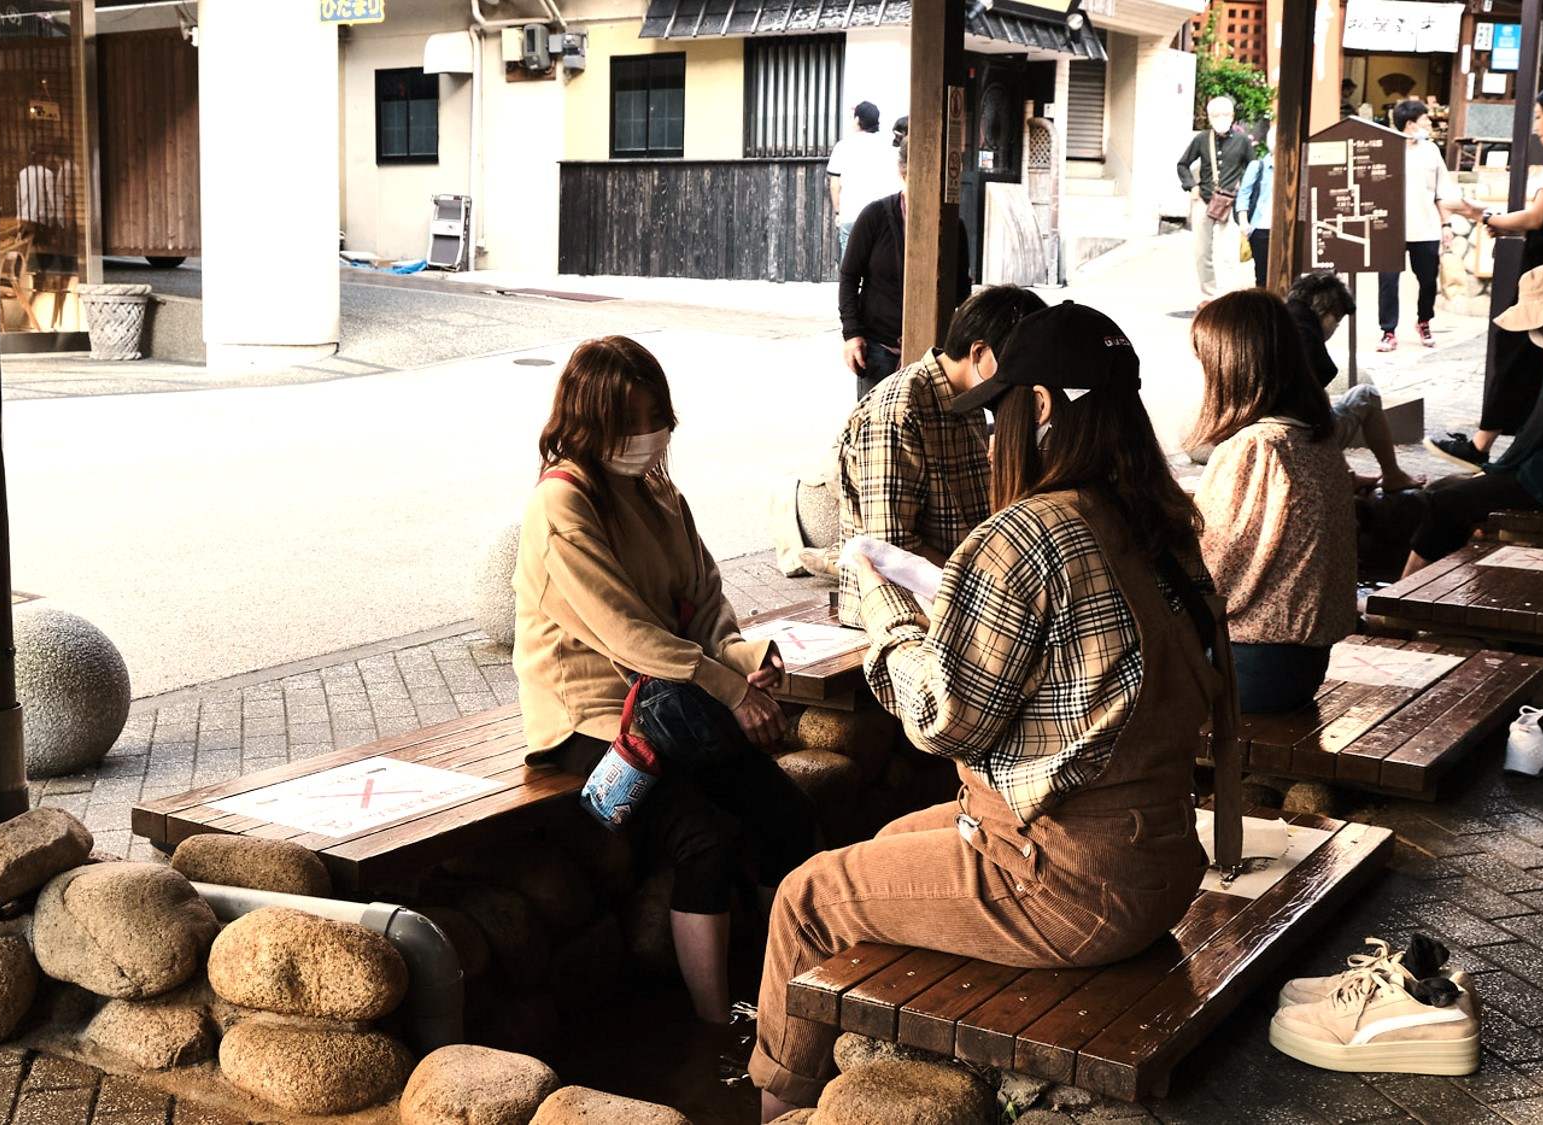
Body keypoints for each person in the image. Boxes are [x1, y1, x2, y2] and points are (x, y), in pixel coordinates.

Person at [752, 302, 1222, 1120]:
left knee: (805, 897)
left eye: (997, 415)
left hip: (1067, 882)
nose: (990, 438)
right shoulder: (1159, 521)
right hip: (1162, 857)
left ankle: (774, 1101)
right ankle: (840, 1075)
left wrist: (885, 612)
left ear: (1038, 408)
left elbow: (940, 718)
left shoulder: (1027, 535)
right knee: (891, 843)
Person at [513, 336, 817, 1027]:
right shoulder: (562, 505)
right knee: (701, 839)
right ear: (593, 423)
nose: (654, 434)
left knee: (786, 813)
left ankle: (795, 999)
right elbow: (627, 634)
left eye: (659, 416)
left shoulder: (657, 492)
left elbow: (704, 603)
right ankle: (720, 1026)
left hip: (676, 703)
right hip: (590, 721)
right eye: (637, 420)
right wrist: (731, 689)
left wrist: (746, 658)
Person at [834, 284, 1046, 627]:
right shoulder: (899, 410)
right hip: (899, 611)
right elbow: (890, 549)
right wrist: (982, 584)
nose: (1024, 377)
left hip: (964, 593)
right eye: (1017, 362)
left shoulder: (974, 399)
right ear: (980, 353)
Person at [1404, 265, 1543, 575]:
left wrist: (1494, 470)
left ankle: (1397, 597)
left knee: (1443, 501)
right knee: (1450, 491)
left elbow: (1537, 430)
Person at [1429, 80, 1543, 470]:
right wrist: (1503, 224)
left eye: (1541, 116)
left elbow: (1537, 217)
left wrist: (1485, 216)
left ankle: (1482, 447)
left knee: (1516, 351)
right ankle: (1521, 446)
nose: (1536, 124)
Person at [1189, 290, 1358, 713]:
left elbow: (1210, 572)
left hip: (1248, 665)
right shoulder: (1313, 435)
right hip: (1303, 665)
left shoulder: (1256, 446)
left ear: (1230, 366)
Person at [839, 141, 974, 399]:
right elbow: (848, 277)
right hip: (878, 349)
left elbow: (960, 290)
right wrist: (852, 334)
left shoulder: (954, 227)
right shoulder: (874, 216)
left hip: (935, 354)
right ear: (904, 173)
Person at [1286, 272, 1423, 492]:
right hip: (1298, 441)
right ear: (1327, 313)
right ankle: (1392, 474)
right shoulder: (1307, 334)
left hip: (1263, 432)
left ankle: (1348, 476)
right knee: (1366, 395)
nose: (1334, 329)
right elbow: (1317, 416)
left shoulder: (1281, 320)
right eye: (1337, 322)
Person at [1378, 99, 1459, 352]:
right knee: (1388, 282)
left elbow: (1441, 191)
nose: (1429, 123)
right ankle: (1388, 331)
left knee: (1427, 280)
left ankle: (1424, 321)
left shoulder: (1431, 151)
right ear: (1411, 124)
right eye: (1424, 119)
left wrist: (1446, 224)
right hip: (1391, 229)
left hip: (1426, 227)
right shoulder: (1386, 149)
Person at [1177, 96, 1254, 299]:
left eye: (1225, 114)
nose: (1221, 118)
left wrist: (1243, 191)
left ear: (1233, 116)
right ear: (1209, 117)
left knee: (1228, 253)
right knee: (1202, 251)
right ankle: (1209, 295)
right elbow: (1182, 164)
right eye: (1216, 114)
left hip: (1230, 202)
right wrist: (1190, 186)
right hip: (1204, 200)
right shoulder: (1202, 139)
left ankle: (1227, 295)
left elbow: (1253, 168)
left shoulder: (1243, 141)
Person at [827, 101, 900, 265]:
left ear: (857, 119)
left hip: (851, 214)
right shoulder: (889, 147)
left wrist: (838, 211)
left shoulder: (843, 146)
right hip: (881, 215)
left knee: (850, 266)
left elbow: (834, 184)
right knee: (877, 264)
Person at [1236, 133, 1275, 288]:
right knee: (1262, 274)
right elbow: (1244, 194)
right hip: (1260, 227)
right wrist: (1243, 221)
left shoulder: (1293, 166)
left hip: (1284, 228)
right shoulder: (1257, 166)